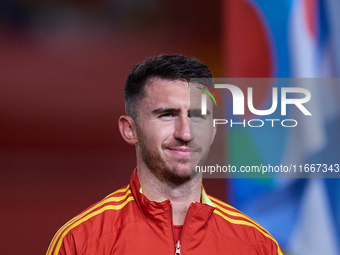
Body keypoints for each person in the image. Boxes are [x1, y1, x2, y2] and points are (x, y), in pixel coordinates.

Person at [46, 54, 283, 255]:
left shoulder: (257, 245)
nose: (185, 133)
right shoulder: (81, 241)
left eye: (197, 116)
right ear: (130, 129)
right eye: (167, 114)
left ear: (213, 130)